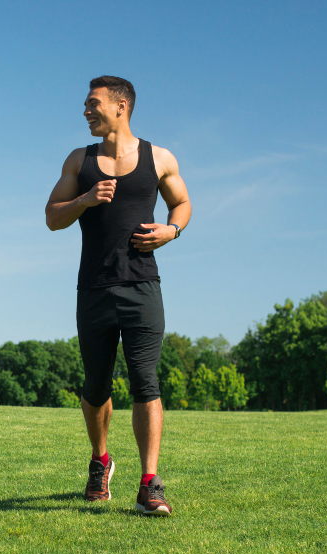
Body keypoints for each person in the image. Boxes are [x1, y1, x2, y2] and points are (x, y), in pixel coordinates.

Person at [45, 76, 191, 516]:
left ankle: (150, 482)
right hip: (93, 287)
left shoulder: (159, 157)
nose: (86, 111)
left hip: (143, 285)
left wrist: (172, 229)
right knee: (95, 385)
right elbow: (52, 217)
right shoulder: (80, 160)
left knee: (146, 381)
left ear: (121, 105)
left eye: (93, 104)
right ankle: (100, 460)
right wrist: (86, 200)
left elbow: (181, 203)